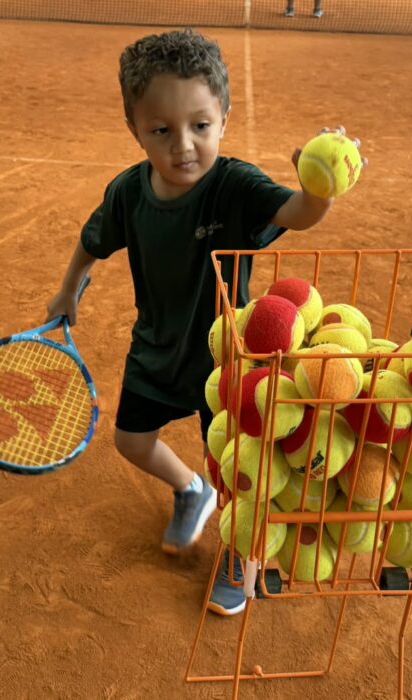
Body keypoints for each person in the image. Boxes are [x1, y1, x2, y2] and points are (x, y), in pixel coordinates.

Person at [45, 28, 337, 616]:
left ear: (223, 119)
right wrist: (66, 290)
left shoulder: (234, 185)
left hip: (225, 360)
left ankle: (239, 556)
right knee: (131, 441)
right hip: (155, 347)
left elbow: (299, 214)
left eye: (200, 126)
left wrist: (319, 183)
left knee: (241, 471)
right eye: (162, 130)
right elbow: (92, 240)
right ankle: (189, 490)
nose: (184, 145)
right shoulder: (128, 192)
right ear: (136, 131)